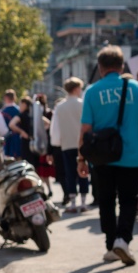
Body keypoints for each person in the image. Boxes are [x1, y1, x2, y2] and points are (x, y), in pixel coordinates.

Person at [77, 45, 138, 266]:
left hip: (101, 157)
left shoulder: (92, 91)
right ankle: (123, 240)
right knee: (129, 200)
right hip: (130, 154)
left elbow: (85, 130)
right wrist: (134, 128)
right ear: (122, 66)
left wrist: (81, 159)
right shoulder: (136, 89)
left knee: (106, 201)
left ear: (100, 68)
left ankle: (111, 244)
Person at [50, 78, 88, 213]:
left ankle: (73, 202)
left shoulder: (60, 107)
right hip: (82, 144)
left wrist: (56, 143)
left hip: (66, 144)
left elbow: (55, 129)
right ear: (77, 88)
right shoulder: (83, 104)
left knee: (70, 173)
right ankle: (83, 201)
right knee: (83, 171)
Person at [0, 89, 22, 159]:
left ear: (5, 98)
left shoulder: (1, 112)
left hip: (7, 139)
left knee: (7, 160)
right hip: (18, 138)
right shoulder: (19, 110)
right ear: (14, 98)